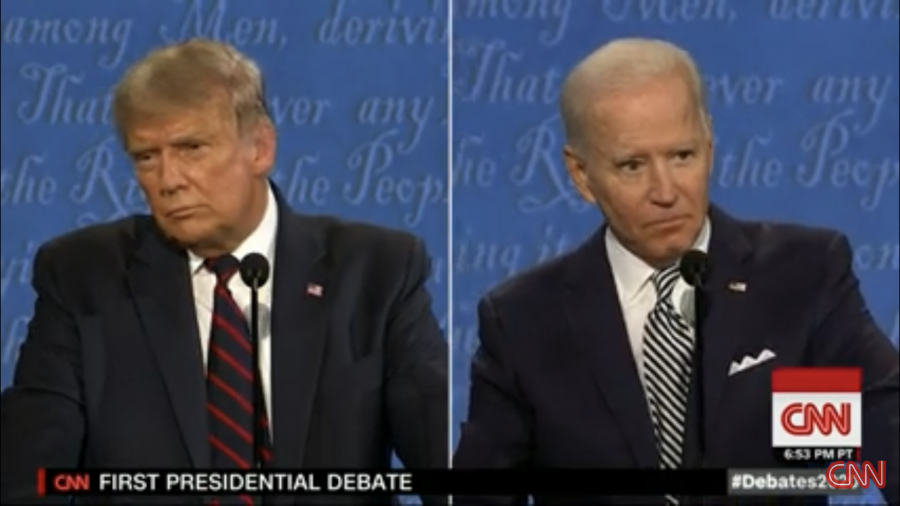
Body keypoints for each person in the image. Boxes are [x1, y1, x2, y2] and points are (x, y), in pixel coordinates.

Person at [0, 39, 448, 505]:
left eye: (191, 148)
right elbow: (27, 478)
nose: (169, 180)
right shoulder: (83, 277)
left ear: (260, 147)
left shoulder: (375, 271)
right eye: (146, 157)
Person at [453, 38, 899, 505]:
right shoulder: (523, 321)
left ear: (710, 145)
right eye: (632, 165)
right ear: (581, 175)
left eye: (682, 156)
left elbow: (884, 421)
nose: (665, 191)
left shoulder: (800, 278)